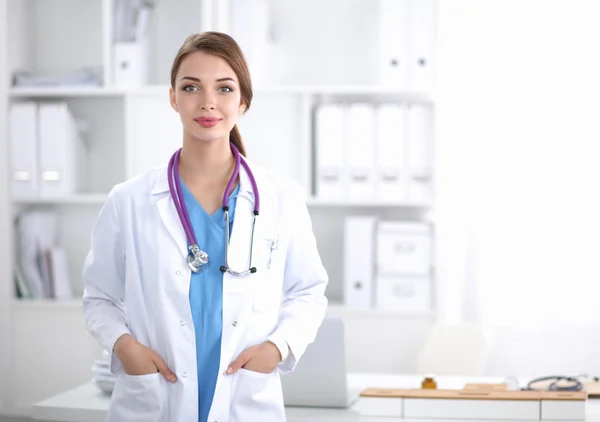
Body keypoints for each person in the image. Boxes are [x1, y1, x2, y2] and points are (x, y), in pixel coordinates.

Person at [82, 31, 329, 422]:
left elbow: (309, 291)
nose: (208, 102)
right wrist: (124, 346)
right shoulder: (128, 201)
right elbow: (99, 297)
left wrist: (278, 348)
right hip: (154, 398)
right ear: (172, 97)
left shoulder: (281, 199)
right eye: (191, 86)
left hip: (245, 398)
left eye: (225, 88)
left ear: (243, 101)